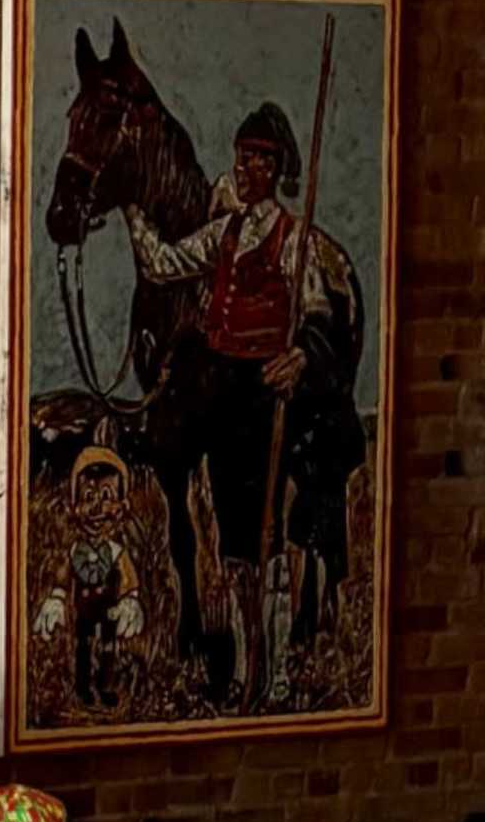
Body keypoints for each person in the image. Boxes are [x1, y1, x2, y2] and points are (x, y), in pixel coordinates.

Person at [124, 101, 360, 703]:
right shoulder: (224, 232)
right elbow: (162, 263)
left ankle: (276, 673)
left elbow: (318, 315)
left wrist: (302, 356)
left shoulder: (293, 238)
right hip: (225, 400)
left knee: (269, 539)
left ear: (276, 167)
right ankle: (242, 671)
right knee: (233, 545)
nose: (245, 166)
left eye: (257, 158)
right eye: (242, 156)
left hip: (267, 401)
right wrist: (132, 212)